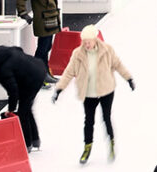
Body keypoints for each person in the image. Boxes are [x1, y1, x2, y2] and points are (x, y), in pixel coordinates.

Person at [52, 24, 133, 163]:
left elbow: (118, 64)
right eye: (84, 42)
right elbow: (69, 72)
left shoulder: (107, 50)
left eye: (88, 41)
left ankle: (111, 142)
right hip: (88, 93)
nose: (86, 44)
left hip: (106, 90)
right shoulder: (78, 53)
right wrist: (59, 88)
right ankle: (87, 147)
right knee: (88, 121)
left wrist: (128, 78)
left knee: (106, 118)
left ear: (95, 39)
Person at [0, 45, 46, 150]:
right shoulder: (1, 52)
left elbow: (13, 92)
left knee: (22, 113)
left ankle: (27, 144)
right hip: (38, 67)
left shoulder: (2, 70)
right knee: (26, 109)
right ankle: (35, 140)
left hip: (33, 79)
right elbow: (19, 49)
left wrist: (11, 109)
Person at [15, 0, 60, 79]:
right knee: (42, 50)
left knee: (46, 48)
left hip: (51, 20)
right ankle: (35, 74)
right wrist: (23, 13)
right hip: (43, 22)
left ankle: (44, 73)